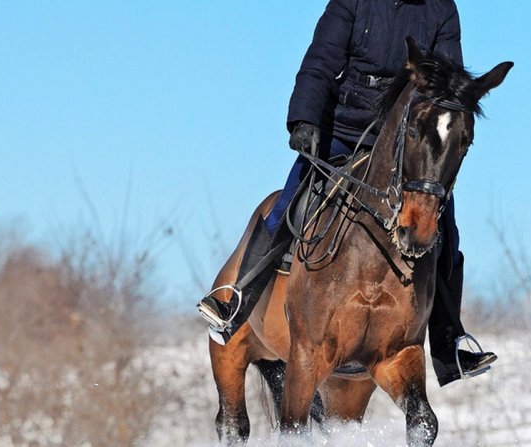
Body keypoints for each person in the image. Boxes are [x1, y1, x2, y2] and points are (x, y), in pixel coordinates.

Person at [199, 0, 495, 386]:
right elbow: (321, 60)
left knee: (445, 226)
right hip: (345, 126)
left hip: (406, 139)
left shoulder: (442, 9)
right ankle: (237, 299)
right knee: (288, 203)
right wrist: (303, 118)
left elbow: (446, 83)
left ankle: (447, 343)